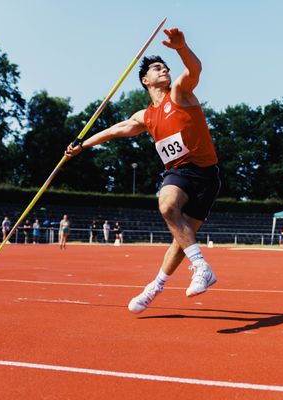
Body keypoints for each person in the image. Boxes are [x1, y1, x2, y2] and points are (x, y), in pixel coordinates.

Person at [65, 27, 220, 313]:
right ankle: (200, 267)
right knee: (167, 204)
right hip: (178, 172)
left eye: (165, 66)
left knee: (180, 240)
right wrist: (82, 144)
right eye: (156, 68)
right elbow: (116, 130)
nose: (163, 69)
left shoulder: (180, 93)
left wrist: (182, 47)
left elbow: (195, 68)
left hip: (207, 176)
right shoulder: (145, 115)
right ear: (145, 80)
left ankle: (156, 285)